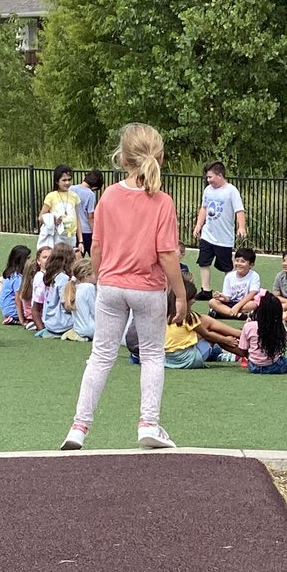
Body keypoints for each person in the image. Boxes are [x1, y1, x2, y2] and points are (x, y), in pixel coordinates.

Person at [60, 122, 187, 451]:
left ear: (123, 158)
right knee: (153, 356)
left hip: (112, 284)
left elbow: (97, 246)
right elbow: (167, 254)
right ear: (158, 156)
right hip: (147, 287)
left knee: (100, 356)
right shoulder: (162, 201)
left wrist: (103, 278)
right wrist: (182, 294)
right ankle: (149, 423)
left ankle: (79, 427)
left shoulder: (109, 197)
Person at [192, 161, 246, 300]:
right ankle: (206, 290)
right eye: (207, 177)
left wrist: (241, 227)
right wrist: (199, 225)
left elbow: (239, 210)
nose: (208, 180)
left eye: (210, 177)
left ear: (220, 175)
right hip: (208, 234)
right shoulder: (208, 190)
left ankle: (229, 291)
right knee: (203, 261)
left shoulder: (231, 191)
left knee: (227, 267)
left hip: (224, 238)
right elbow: (203, 208)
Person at [37, 164, 84, 254]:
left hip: (71, 238)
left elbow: (77, 219)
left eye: (69, 179)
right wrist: (53, 219)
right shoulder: (51, 196)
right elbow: (40, 218)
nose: (67, 183)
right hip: (56, 237)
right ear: (57, 181)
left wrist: (80, 241)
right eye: (64, 180)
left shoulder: (74, 196)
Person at [35, 244, 77, 338]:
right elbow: (65, 303)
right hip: (61, 322)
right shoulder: (63, 278)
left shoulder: (50, 275)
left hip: (49, 321)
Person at [209, 247, 261, 318]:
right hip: (231, 303)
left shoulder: (254, 275)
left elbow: (252, 294)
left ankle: (223, 313)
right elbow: (228, 298)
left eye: (243, 261)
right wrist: (223, 297)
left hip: (244, 303)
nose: (239, 264)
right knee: (212, 302)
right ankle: (239, 315)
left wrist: (237, 306)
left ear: (251, 265)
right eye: (237, 261)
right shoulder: (229, 276)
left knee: (253, 304)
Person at [60, 257, 97, 341]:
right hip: (92, 329)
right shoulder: (89, 287)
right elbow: (95, 311)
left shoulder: (75, 287)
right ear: (86, 276)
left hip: (79, 329)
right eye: (95, 273)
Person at [71, 169, 104, 256]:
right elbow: (90, 216)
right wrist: (94, 231)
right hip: (86, 230)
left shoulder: (71, 189)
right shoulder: (90, 194)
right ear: (95, 187)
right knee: (94, 255)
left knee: (76, 256)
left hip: (73, 229)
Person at [0, 244, 30, 325]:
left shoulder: (10, 273)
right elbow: (17, 301)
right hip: (12, 310)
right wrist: (22, 321)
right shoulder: (18, 278)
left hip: (6, 309)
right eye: (28, 258)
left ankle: (13, 319)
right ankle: (17, 319)